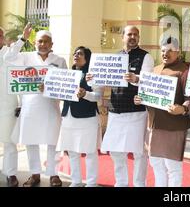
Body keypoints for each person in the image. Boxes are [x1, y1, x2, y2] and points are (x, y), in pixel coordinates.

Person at [4, 28, 67, 187]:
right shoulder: (26, 57)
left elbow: (65, 84)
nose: (43, 44)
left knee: (53, 141)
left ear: (52, 44)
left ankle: (54, 174)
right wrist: (22, 39)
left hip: (51, 106)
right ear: (34, 42)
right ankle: (35, 173)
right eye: (40, 41)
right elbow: (8, 57)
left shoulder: (59, 60)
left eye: (46, 41)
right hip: (30, 106)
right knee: (31, 141)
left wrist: (50, 86)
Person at [99, 25, 154, 187]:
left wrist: (136, 79)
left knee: (139, 152)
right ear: (122, 37)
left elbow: (149, 80)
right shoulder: (114, 57)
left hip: (137, 112)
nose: (132, 37)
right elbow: (104, 81)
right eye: (129, 34)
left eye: (135, 34)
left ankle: (139, 184)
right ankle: (121, 183)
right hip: (116, 111)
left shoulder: (146, 57)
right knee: (116, 151)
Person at [135, 36, 190, 187]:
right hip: (154, 125)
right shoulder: (155, 70)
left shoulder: (185, 71)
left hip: (174, 127)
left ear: (178, 52)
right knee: (156, 164)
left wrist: (183, 108)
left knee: (173, 168)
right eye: (163, 51)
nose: (166, 54)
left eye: (170, 51)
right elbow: (147, 95)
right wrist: (141, 99)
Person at [56, 47, 101, 187]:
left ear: (87, 58)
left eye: (80, 54)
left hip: (87, 119)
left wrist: (85, 94)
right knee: (72, 152)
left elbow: (98, 97)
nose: (76, 55)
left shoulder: (94, 75)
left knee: (90, 152)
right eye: (75, 53)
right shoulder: (68, 74)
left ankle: (91, 183)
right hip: (68, 117)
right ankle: (75, 181)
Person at [0, 25, 30, 187]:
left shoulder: (10, 53)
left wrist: (22, 103)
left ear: (3, 38)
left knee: (9, 142)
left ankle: (10, 174)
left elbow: (18, 79)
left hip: (7, 106)